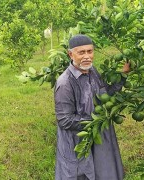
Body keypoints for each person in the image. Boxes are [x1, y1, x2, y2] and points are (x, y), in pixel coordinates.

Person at [54, 34, 130, 180]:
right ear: (70, 54)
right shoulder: (65, 84)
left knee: (102, 171)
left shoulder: (92, 71)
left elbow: (104, 96)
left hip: (97, 137)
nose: (87, 56)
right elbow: (64, 120)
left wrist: (123, 76)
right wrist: (96, 121)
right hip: (78, 141)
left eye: (90, 51)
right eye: (81, 52)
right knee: (81, 174)